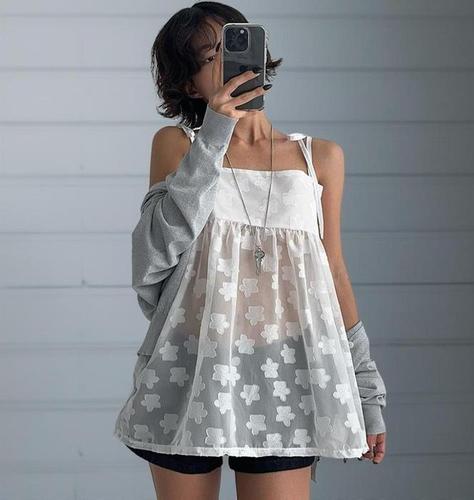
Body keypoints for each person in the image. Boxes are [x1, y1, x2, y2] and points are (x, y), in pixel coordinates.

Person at [113, 3, 387, 500]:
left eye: (233, 44)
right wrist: (216, 133)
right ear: (189, 84)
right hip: (189, 365)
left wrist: (367, 391)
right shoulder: (178, 146)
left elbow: (334, 274)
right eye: (209, 56)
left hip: (286, 372)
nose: (227, 62)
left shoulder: (319, 158)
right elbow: (152, 256)